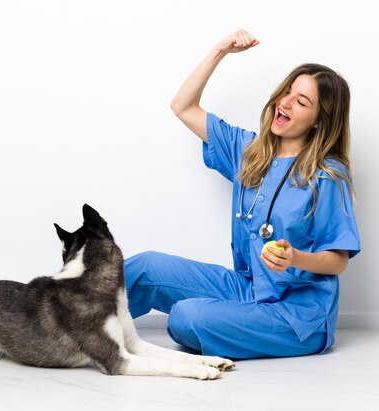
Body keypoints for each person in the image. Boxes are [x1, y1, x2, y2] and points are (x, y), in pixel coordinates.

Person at [123, 29, 361, 359]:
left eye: (301, 101)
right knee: (144, 268)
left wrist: (295, 259)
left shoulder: (328, 174)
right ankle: (61, 318)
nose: (286, 102)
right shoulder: (249, 150)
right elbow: (184, 107)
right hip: (247, 288)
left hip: (297, 316)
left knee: (186, 318)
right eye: (288, 92)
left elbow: (338, 261)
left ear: (320, 121)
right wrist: (219, 50)